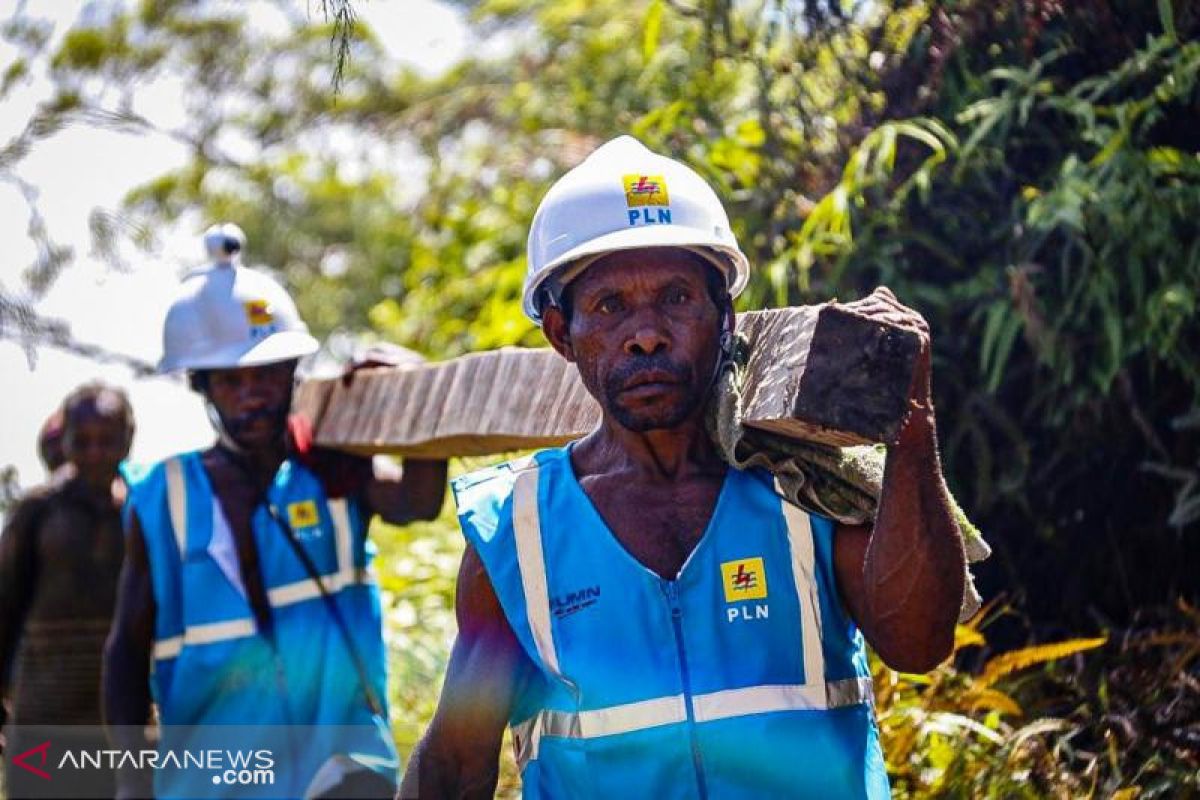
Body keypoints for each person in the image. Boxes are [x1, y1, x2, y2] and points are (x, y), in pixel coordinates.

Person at [401, 136, 967, 799]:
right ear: (561, 332)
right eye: (610, 306)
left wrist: (912, 422)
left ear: (723, 316)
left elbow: (921, 644)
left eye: (675, 298)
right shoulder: (517, 535)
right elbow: (455, 765)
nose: (646, 333)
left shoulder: (802, 489)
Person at [104, 224, 448, 799]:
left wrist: (416, 393)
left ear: (292, 373)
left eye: (267, 373)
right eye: (232, 380)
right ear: (203, 388)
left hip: (341, 768)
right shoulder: (161, 499)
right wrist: (131, 782)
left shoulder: (332, 467)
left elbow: (417, 500)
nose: (253, 393)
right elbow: (125, 652)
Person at [1, 383, 136, 798]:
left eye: (107, 441)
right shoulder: (39, 511)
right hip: (42, 720)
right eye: (83, 441)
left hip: (117, 730)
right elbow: (3, 609)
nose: (95, 452)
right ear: (67, 442)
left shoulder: (140, 511)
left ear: (127, 441)